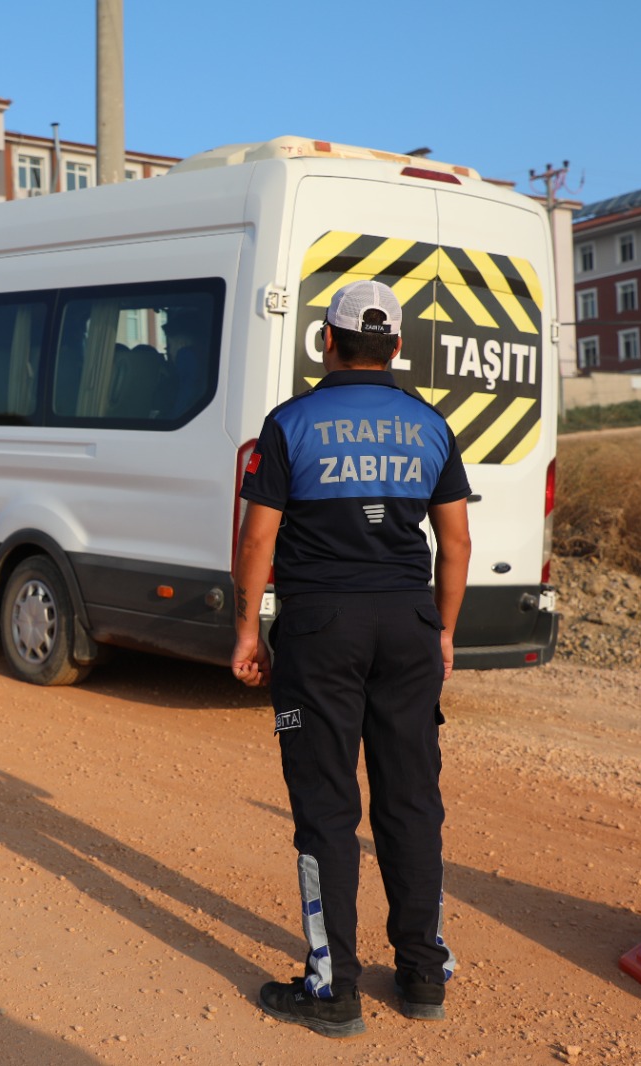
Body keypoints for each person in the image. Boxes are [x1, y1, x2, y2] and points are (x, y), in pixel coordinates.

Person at [230, 279, 472, 1039]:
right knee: (411, 802)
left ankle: (333, 990)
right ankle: (422, 972)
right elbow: (455, 541)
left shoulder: (290, 424)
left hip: (321, 627)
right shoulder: (429, 423)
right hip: (406, 621)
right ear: (396, 348)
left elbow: (258, 540)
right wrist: (444, 630)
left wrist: (247, 632)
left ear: (325, 343)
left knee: (328, 810)